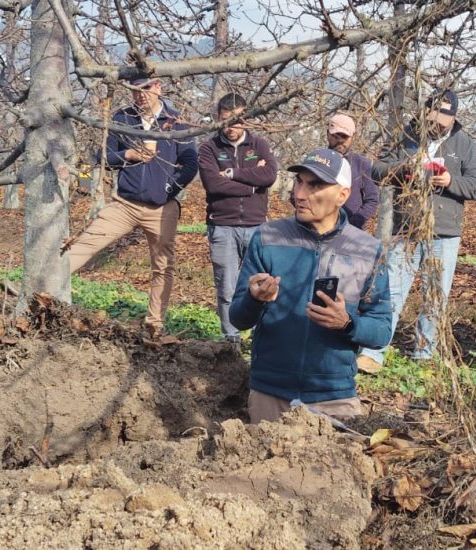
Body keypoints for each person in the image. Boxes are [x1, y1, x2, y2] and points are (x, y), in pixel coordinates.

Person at [229, 148, 392, 423]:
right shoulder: (268, 237)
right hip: (270, 392)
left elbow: (382, 330)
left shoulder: (366, 249)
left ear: (343, 195)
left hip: (335, 397)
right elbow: (237, 318)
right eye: (299, 182)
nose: (300, 195)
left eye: (315, 185)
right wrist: (254, 299)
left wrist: (347, 324)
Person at [356, 88, 476, 374]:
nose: (438, 122)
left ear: (454, 118)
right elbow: (377, 169)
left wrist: (451, 180)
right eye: (434, 114)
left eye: (445, 117)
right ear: (426, 111)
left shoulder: (463, 144)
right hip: (407, 230)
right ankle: (373, 352)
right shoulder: (407, 136)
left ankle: (424, 354)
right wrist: (405, 169)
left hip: (445, 233)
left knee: (435, 296)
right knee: (391, 290)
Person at [68, 78, 198, 337]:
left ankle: (155, 324)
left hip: (162, 208)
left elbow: (190, 163)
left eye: (145, 90)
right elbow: (102, 157)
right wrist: (128, 155)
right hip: (125, 204)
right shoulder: (122, 119)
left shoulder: (175, 121)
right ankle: (43, 286)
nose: (140, 96)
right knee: (86, 242)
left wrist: (169, 189)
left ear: (157, 87)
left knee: (163, 265)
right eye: (134, 92)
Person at [198, 92, 278, 343]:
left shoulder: (259, 145)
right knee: (226, 287)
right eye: (225, 121)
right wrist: (251, 183)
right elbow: (213, 184)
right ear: (217, 118)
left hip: (256, 224)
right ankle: (231, 338)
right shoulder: (209, 148)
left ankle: (259, 335)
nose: (231, 127)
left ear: (247, 118)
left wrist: (231, 174)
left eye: (237, 120)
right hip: (222, 225)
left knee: (260, 283)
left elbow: (270, 176)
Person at [326, 113, 379, 229]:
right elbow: (297, 194)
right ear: (327, 134)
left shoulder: (362, 164)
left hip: (350, 232)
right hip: (316, 230)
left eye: (344, 136)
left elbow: (372, 200)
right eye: (335, 136)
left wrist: (353, 224)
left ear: (353, 137)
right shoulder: (317, 159)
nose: (340, 140)